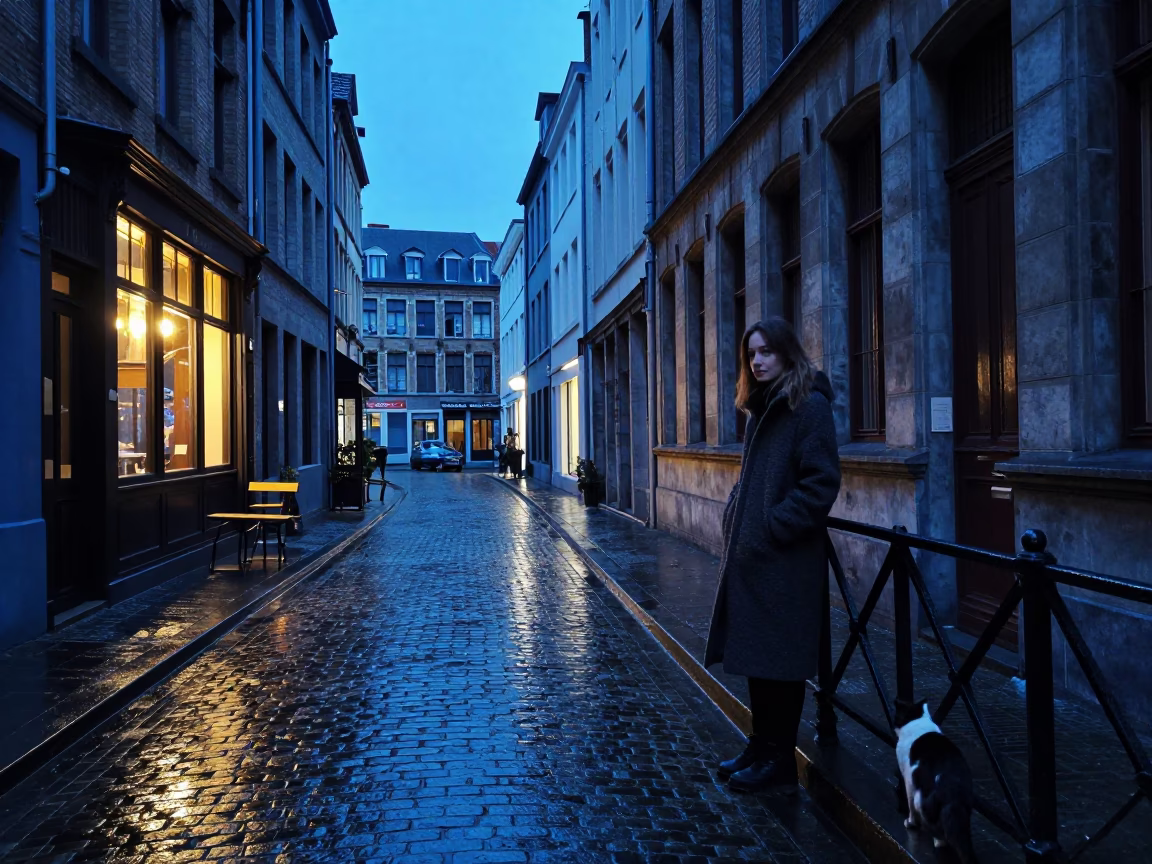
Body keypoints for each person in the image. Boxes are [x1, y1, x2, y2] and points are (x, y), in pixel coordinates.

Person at [704, 316, 842, 793]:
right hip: (755, 563)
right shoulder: (760, 406)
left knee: (780, 666)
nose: (757, 361)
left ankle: (780, 760)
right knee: (758, 663)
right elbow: (753, 478)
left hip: (785, 564)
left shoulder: (808, 405)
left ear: (787, 353)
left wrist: (772, 526)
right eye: (751, 354)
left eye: (766, 352)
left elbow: (821, 481)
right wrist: (735, 510)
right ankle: (759, 745)